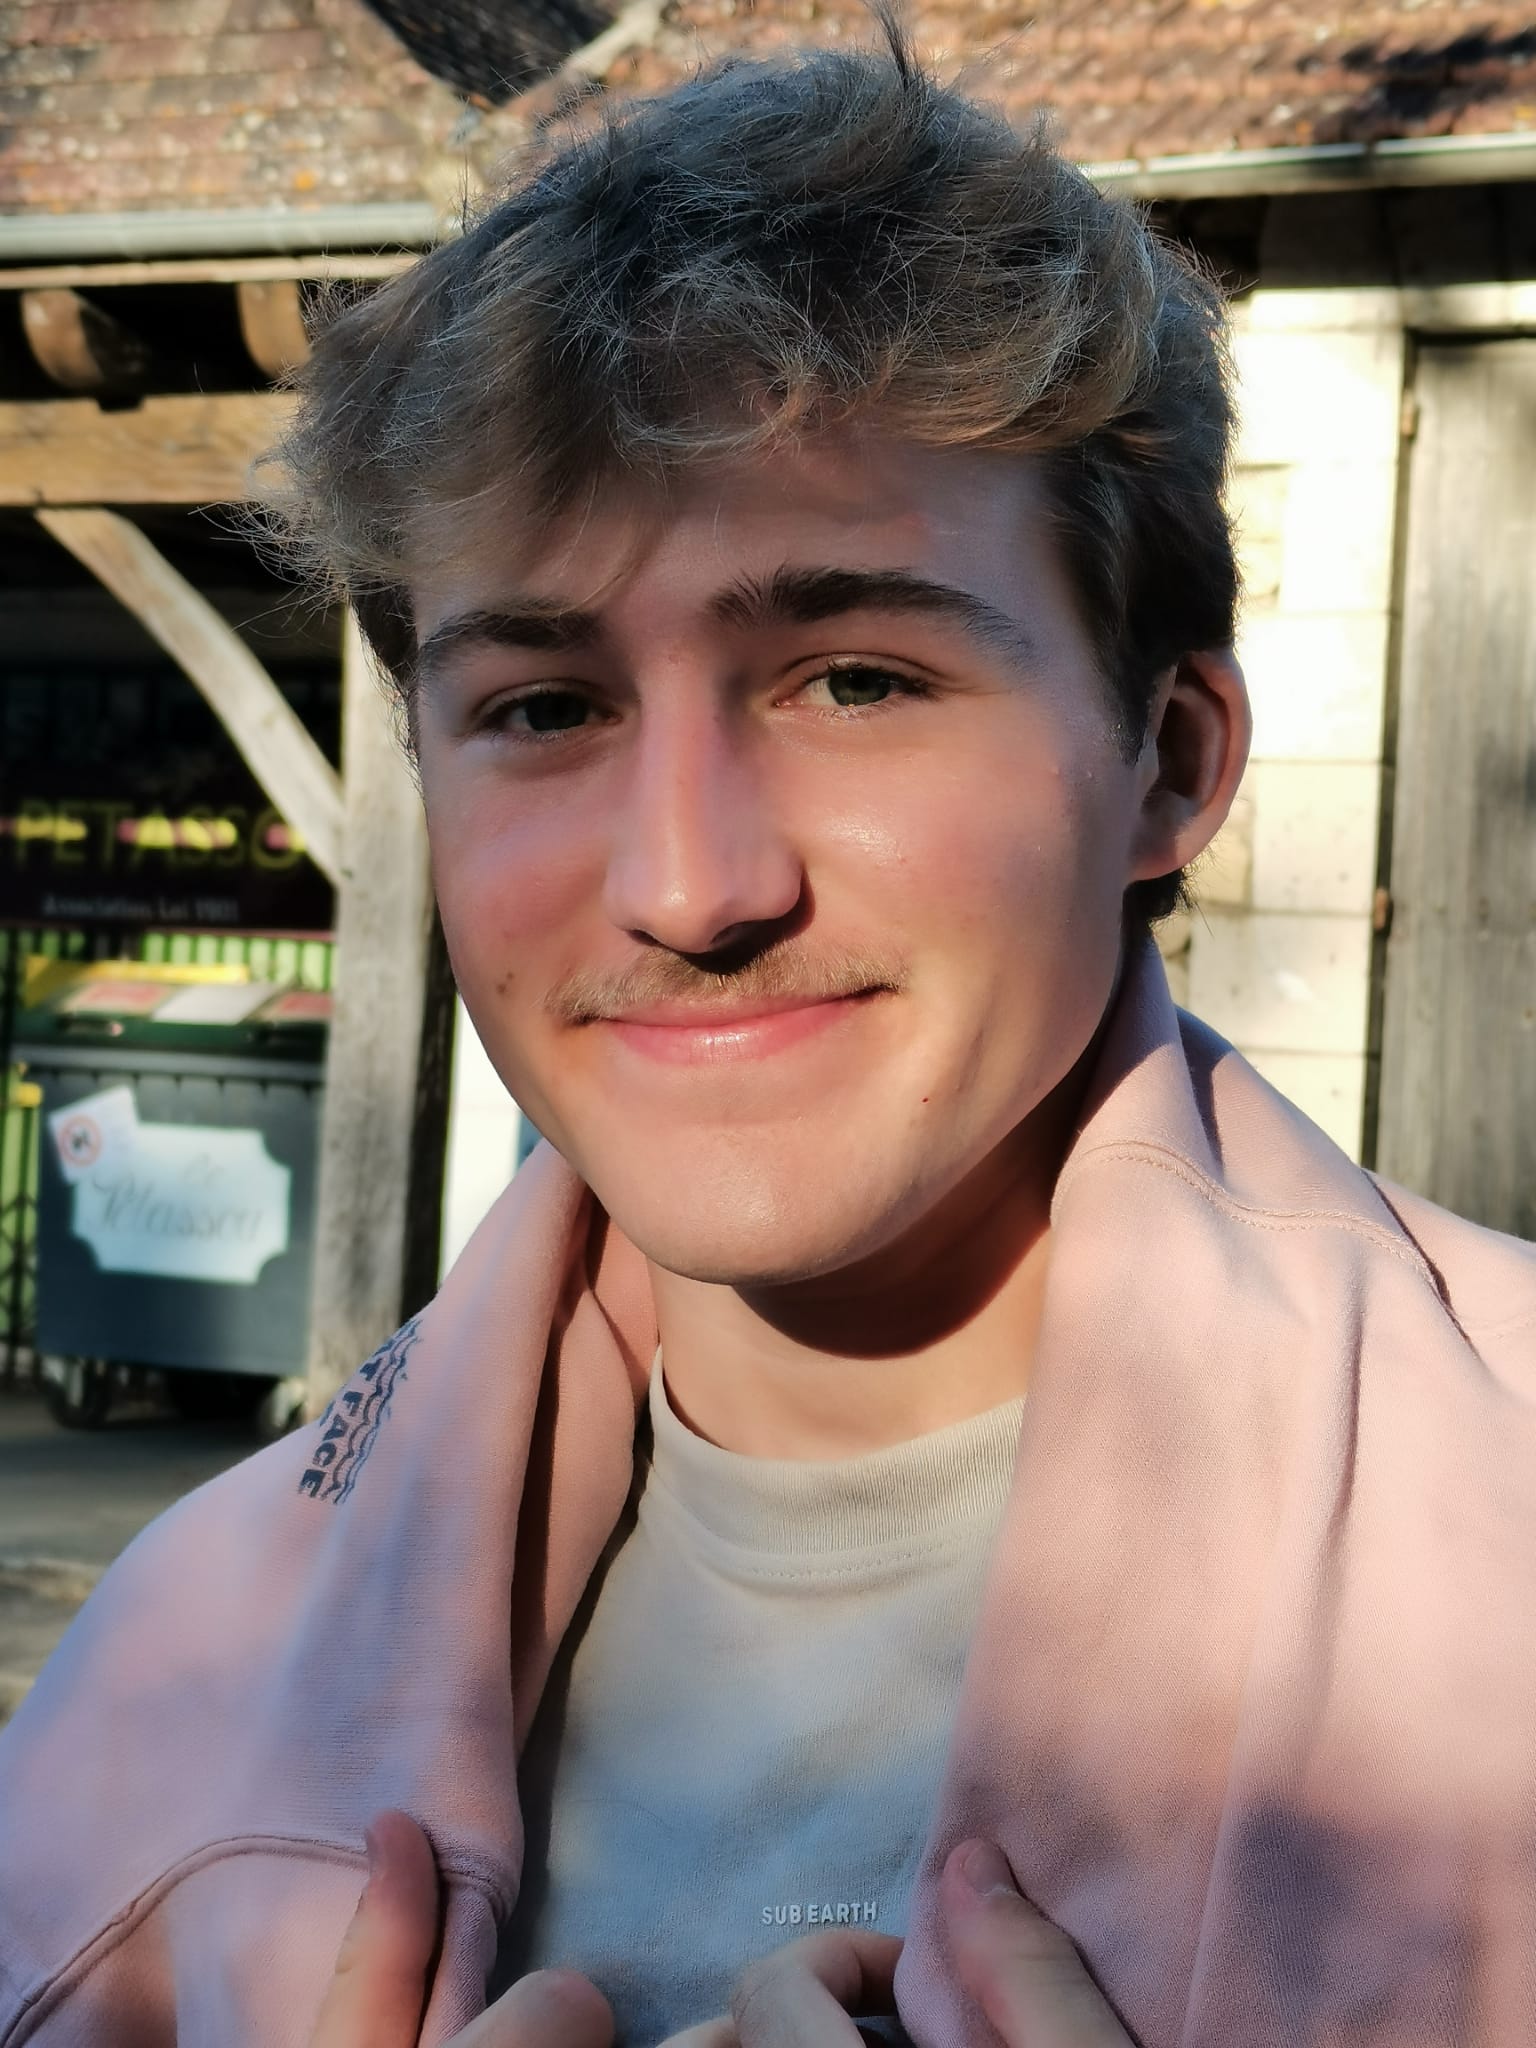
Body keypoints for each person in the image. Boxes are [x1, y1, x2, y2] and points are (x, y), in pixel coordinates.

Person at [2, 25, 1534, 2048]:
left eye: (856, 679)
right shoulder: (165, 1672)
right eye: (545, 707)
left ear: (1166, 762)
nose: (689, 885)